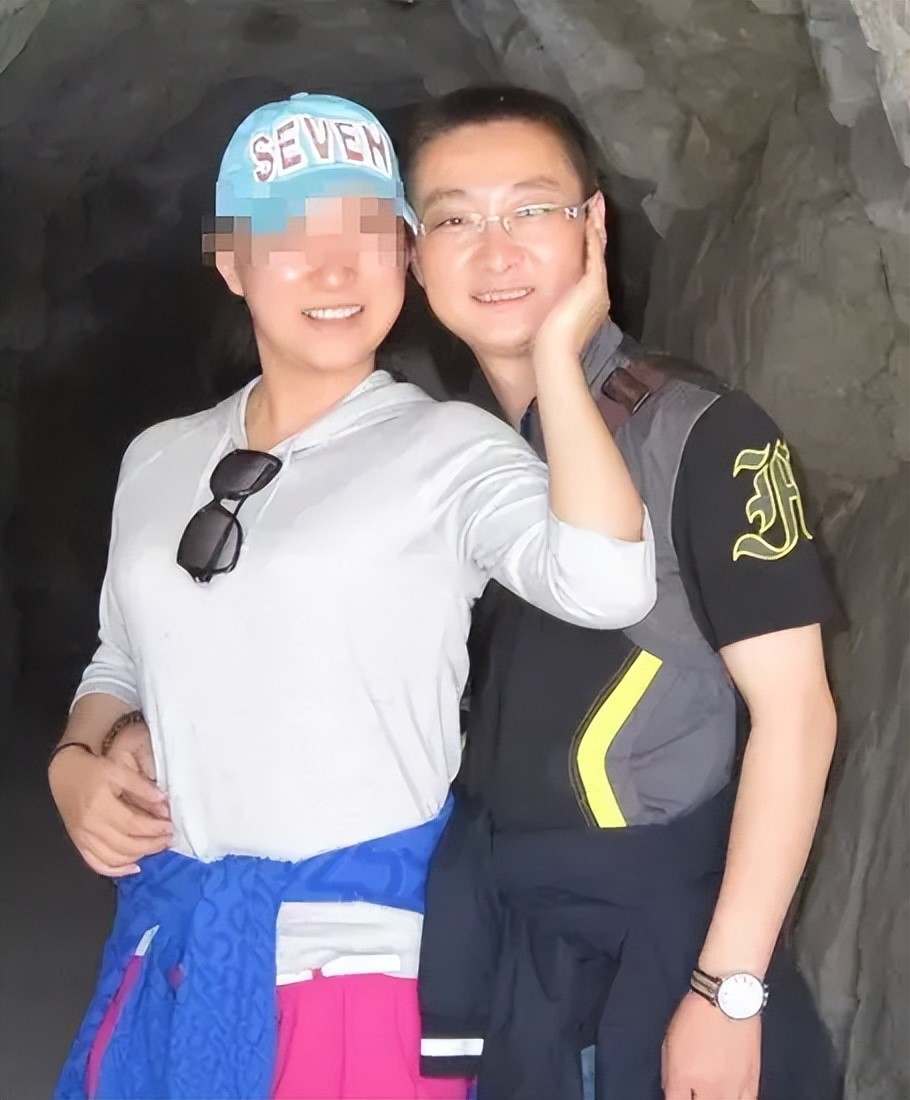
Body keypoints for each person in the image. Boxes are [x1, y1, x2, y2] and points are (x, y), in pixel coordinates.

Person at [46, 92, 655, 1100]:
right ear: (232, 261)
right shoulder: (157, 459)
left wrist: (558, 355)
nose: (336, 271)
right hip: (175, 938)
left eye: (371, 234)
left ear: (405, 257)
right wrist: (77, 761)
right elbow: (119, 659)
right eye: (291, 237)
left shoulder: (448, 449)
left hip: (363, 961)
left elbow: (605, 581)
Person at [401, 87, 840, 1100]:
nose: (496, 250)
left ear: (592, 226)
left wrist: (728, 991)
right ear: (416, 256)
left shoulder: (702, 435)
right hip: (523, 955)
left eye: (531, 208)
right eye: (455, 220)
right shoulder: (454, 457)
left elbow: (799, 715)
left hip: (667, 951)